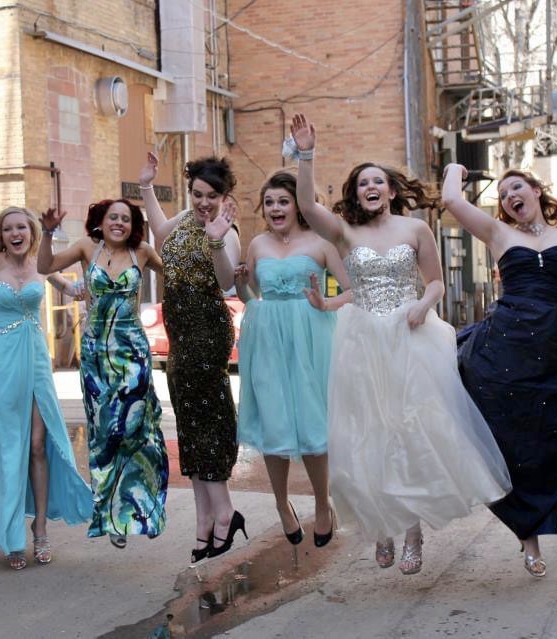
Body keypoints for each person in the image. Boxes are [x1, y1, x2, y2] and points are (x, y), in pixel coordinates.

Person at [290, 113, 511, 575]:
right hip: (363, 341)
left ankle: (412, 531)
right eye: (363, 183)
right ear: (357, 194)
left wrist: (422, 305)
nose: (370, 187)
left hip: (410, 338)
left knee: (411, 434)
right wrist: (306, 155)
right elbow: (308, 207)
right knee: (366, 436)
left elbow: (435, 283)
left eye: (378, 181)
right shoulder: (345, 232)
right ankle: (380, 527)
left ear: (390, 190)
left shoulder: (415, 229)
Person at [442, 163, 557, 577]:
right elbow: (451, 200)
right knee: (508, 441)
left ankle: (536, 523)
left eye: (517, 187)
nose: (512, 197)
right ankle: (527, 539)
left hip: (555, 350)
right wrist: (455, 168)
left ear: (535, 190)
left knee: (551, 442)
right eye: (505, 195)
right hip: (507, 347)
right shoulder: (499, 234)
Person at [0, 206, 93, 570]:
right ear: (1, 234)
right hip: (1, 361)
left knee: (39, 445)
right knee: (10, 448)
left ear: (31, 231)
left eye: (22, 227)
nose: (16, 233)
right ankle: (11, 535)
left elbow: (75, 290)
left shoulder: (43, 265)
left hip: (37, 359)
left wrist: (96, 271)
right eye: (9, 228)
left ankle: (40, 528)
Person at [218, 169, 351, 548]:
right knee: (275, 422)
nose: (276, 208)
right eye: (270, 202)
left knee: (312, 424)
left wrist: (326, 303)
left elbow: (353, 290)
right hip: (268, 335)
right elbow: (249, 295)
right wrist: (243, 280)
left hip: (311, 335)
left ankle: (323, 504)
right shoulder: (258, 243)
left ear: (298, 206)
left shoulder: (321, 242)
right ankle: (281, 505)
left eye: (283, 201)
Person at [37, 199, 168, 549]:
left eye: (126, 219)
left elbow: (177, 274)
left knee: (135, 430)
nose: (120, 223)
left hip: (133, 353)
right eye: (114, 217)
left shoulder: (142, 251)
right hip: (96, 355)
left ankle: (142, 509)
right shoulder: (85, 248)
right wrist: (48, 232)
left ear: (133, 225)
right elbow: (45, 264)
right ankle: (113, 515)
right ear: (101, 220)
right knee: (106, 434)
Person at [139, 152, 246, 562]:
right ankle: (204, 521)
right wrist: (147, 185)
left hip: (207, 332)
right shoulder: (185, 217)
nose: (203, 202)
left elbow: (225, 282)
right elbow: (160, 235)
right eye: (198, 194)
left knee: (207, 422)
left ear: (224, 196)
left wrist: (217, 237)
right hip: (180, 334)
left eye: (211, 195)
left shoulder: (227, 231)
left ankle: (225, 513)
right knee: (188, 420)